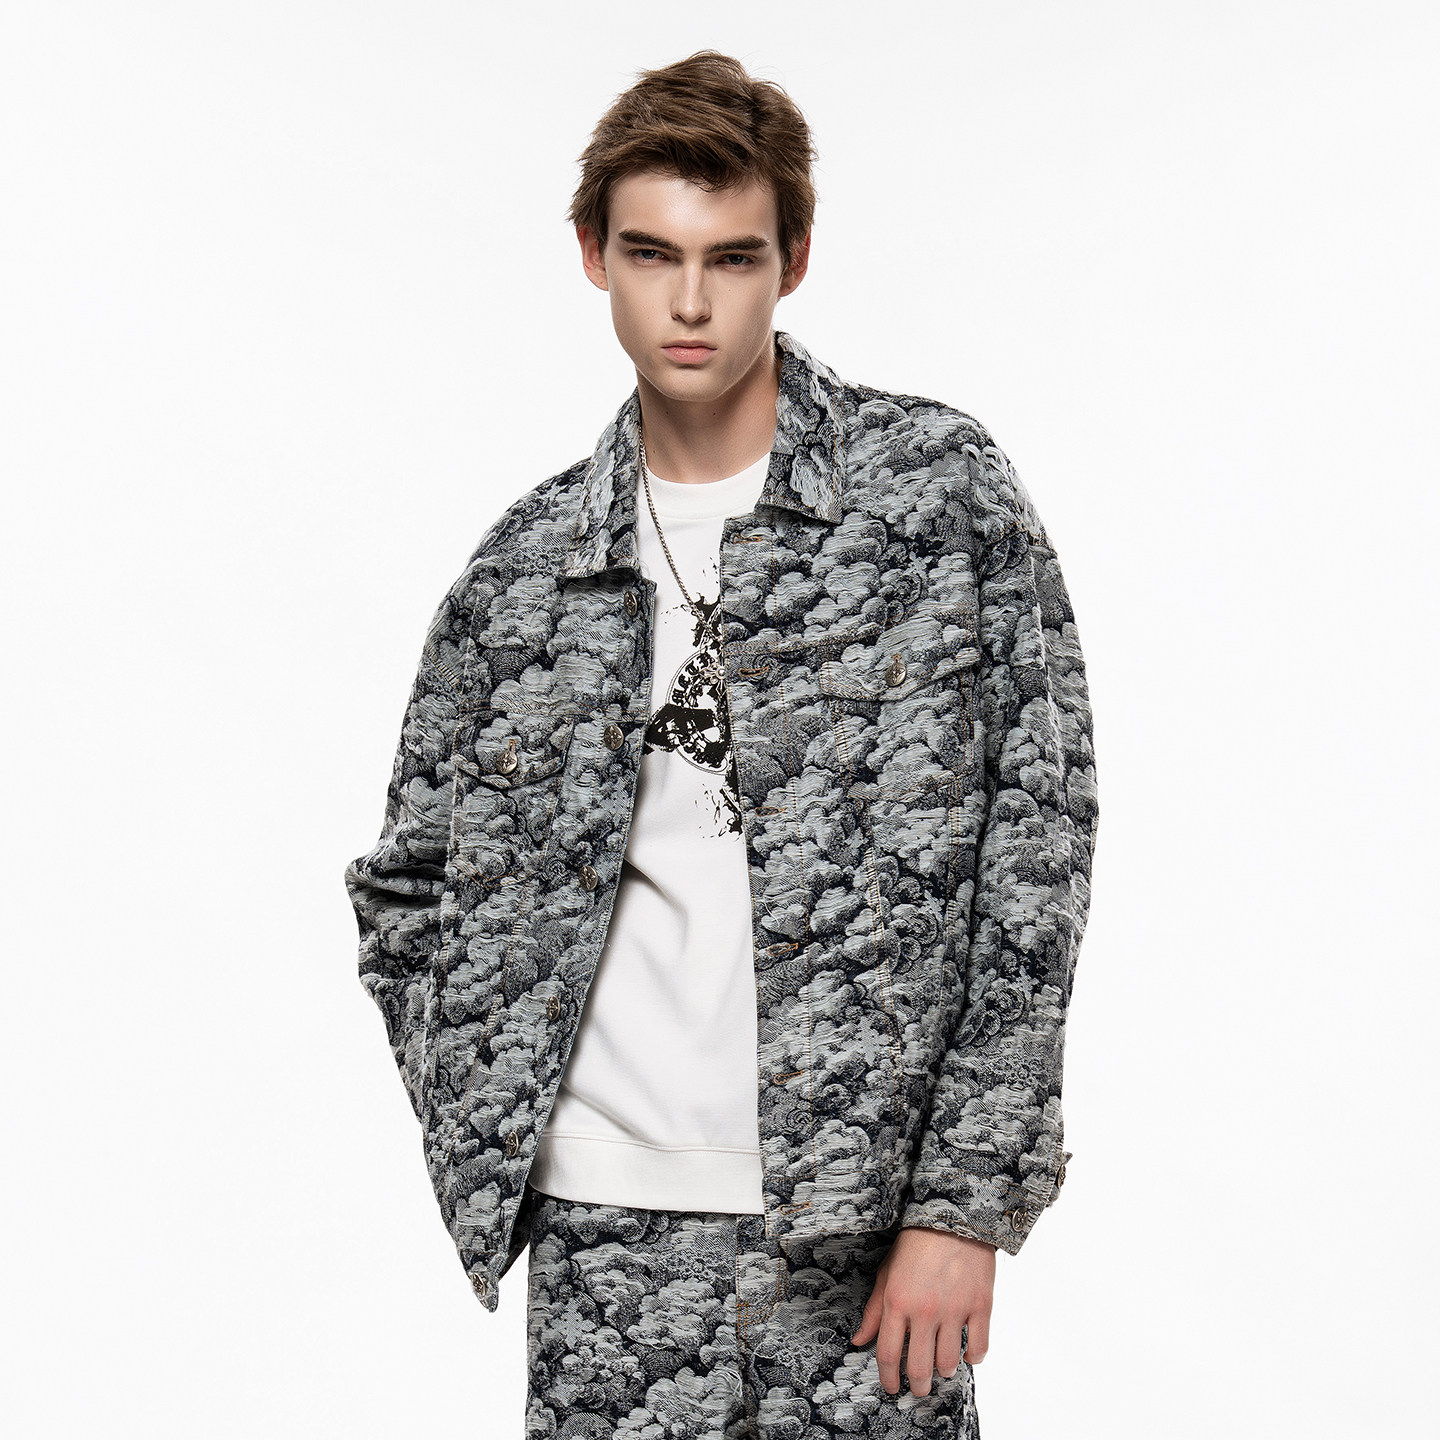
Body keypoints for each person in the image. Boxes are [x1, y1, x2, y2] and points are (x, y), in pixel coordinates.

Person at [344, 49, 1098, 1438]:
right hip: (601, 1235)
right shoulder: (524, 573)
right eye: (652, 254)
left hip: (860, 1226)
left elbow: (1035, 844)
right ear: (594, 256)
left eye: (732, 258)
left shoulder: (932, 497)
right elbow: (406, 888)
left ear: (792, 260)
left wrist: (962, 1199)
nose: (689, 303)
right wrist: (498, 1109)